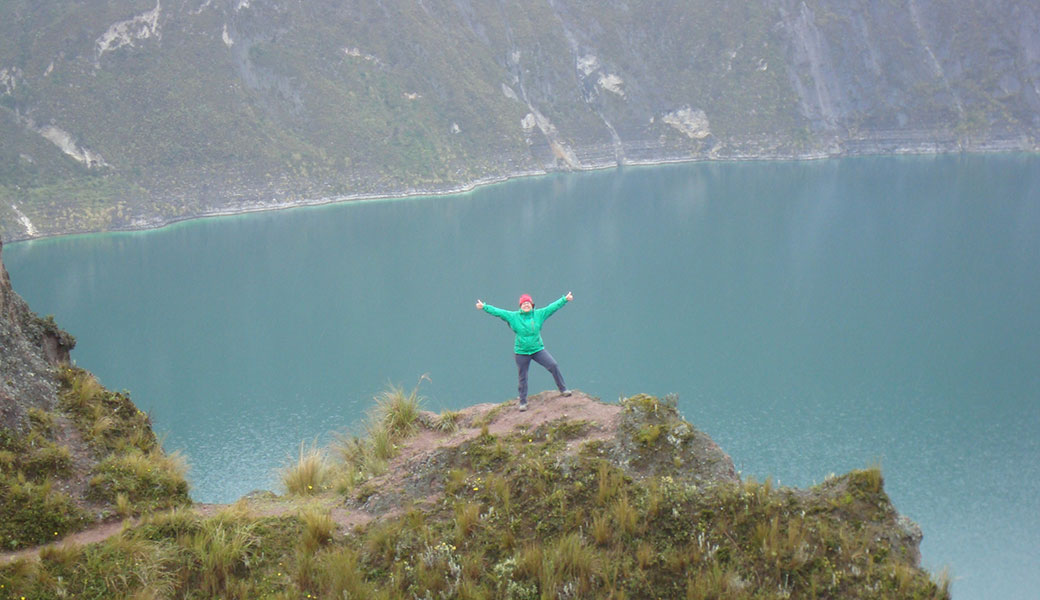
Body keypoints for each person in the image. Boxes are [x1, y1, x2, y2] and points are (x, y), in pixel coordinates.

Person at [476, 292, 573, 411]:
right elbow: (498, 312)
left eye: (528, 303)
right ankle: (523, 402)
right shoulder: (513, 316)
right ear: (520, 306)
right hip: (521, 352)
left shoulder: (539, 314)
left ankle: (563, 389)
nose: (526, 305)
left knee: (553, 365)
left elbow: (552, 308)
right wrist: (484, 307)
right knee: (523, 377)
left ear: (532, 305)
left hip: (537, 350)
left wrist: (564, 299)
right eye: (524, 304)